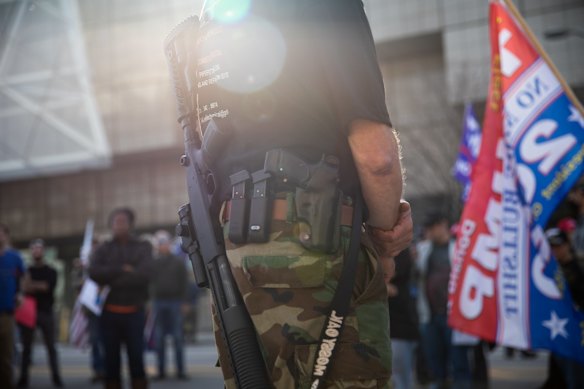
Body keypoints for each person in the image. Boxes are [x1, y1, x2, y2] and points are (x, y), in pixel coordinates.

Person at [192, 1, 413, 387]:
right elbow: (377, 156)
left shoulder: (211, 20)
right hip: (313, 237)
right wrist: (385, 239)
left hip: (232, 247)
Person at [89, 208, 153, 389]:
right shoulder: (104, 248)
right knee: (111, 361)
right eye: (115, 221)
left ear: (131, 224)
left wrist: (110, 278)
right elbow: (94, 273)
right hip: (108, 314)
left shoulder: (143, 246)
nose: (118, 225)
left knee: (136, 359)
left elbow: (145, 275)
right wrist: (122, 269)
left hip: (135, 313)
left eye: (123, 221)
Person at [416, 213, 471, 389]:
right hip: (430, 315)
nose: (430, 232)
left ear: (443, 224)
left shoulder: (459, 248)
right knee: (435, 363)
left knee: (458, 361)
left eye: (433, 227)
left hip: (454, 316)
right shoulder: (423, 249)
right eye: (428, 228)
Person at [17, 239, 63, 388]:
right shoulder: (26, 270)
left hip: (46, 312)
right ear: (31, 251)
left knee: (51, 348)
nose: (37, 251)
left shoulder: (51, 271)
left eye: (39, 248)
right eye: (34, 249)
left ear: (44, 251)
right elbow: (24, 287)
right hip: (29, 312)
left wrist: (32, 285)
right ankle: (23, 378)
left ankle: (56, 378)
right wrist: (36, 285)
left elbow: (46, 287)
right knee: (26, 348)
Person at [544, 228, 584, 389]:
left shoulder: (578, 268)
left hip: (576, 332)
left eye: (558, 246)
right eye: (551, 247)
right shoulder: (551, 271)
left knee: (574, 377)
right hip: (558, 330)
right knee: (559, 374)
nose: (555, 250)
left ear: (567, 245)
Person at [150, 230, 189, 380]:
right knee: (159, 338)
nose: (163, 246)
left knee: (178, 337)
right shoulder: (153, 262)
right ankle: (161, 371)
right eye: (160, 243)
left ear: (169, 244)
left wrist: (184, 301)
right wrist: (149, 302)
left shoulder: (178, 261)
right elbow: (149, 283)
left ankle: (180, 370)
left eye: (165, 242)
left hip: (175, 302)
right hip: (158, 302)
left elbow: (184, 282)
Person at [388, 246, 419, 389]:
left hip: (401, 326)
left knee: (400, 377)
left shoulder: (401, 250)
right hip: (388, 326)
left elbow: (389, 273)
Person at [0, 223, 25, 389]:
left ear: (6, 236)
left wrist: (20, 293)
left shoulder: (14, 257)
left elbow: (23, 278)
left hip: (6, 313)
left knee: (6, 356)